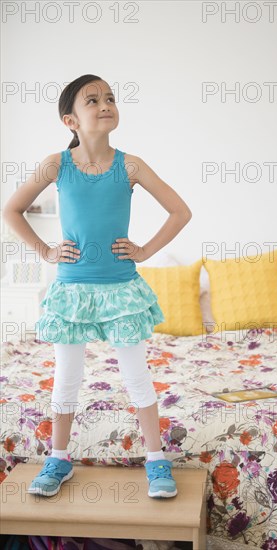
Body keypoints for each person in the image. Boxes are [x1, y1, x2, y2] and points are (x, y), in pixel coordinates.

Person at [3, 74, 192, 499]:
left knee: (137, 377)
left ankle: (156, 460)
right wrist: (45, 251)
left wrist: (144, 251)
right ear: (71, 119)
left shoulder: (131, 165)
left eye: (110, 98)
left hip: (120, 288)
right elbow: (12, 210)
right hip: (72, 290)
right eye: (94, 100)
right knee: (66, 378)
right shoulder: (57, 164)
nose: (105, 104)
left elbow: (180, 211)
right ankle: (59, 457)